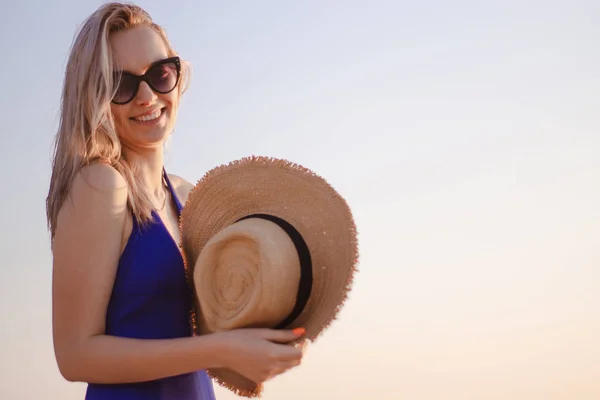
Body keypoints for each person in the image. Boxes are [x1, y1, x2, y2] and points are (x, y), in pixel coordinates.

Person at [46, 3, 306, 399]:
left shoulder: (187, 195)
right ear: (95, 96)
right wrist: (219, 349)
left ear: (177, 75)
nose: (148, 96)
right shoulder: (101, 185)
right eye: (122, 84)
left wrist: (268, 338)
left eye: (159, 73)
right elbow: (74, 355)